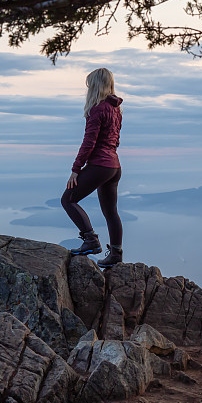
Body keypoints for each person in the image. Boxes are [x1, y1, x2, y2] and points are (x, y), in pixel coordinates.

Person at [61, 67, 124, 268]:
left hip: (99, 165)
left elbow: (89, 142)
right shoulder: (116, 109)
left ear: (95, 86)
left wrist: (76, 169)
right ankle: (116, 254)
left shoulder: (97, 109)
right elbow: (116, 140)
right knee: (111, 212)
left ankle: (91, 240)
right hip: (114, 166)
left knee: (68, 199)